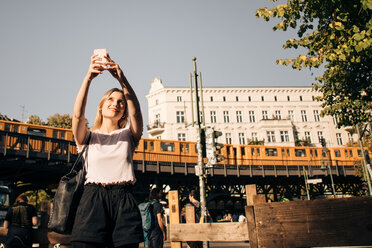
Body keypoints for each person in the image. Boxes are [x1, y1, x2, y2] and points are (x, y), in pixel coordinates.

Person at [70, 50, 144, 248]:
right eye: (110, 100)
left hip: (124, 200)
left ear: (123, 111)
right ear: (101, 107)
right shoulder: (87, 137)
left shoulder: (129, 135)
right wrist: (88, 78)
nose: (116, 104)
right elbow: (77, 116)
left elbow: (136, 111)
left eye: (120, 102)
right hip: (93, 199)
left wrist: (122, 79)